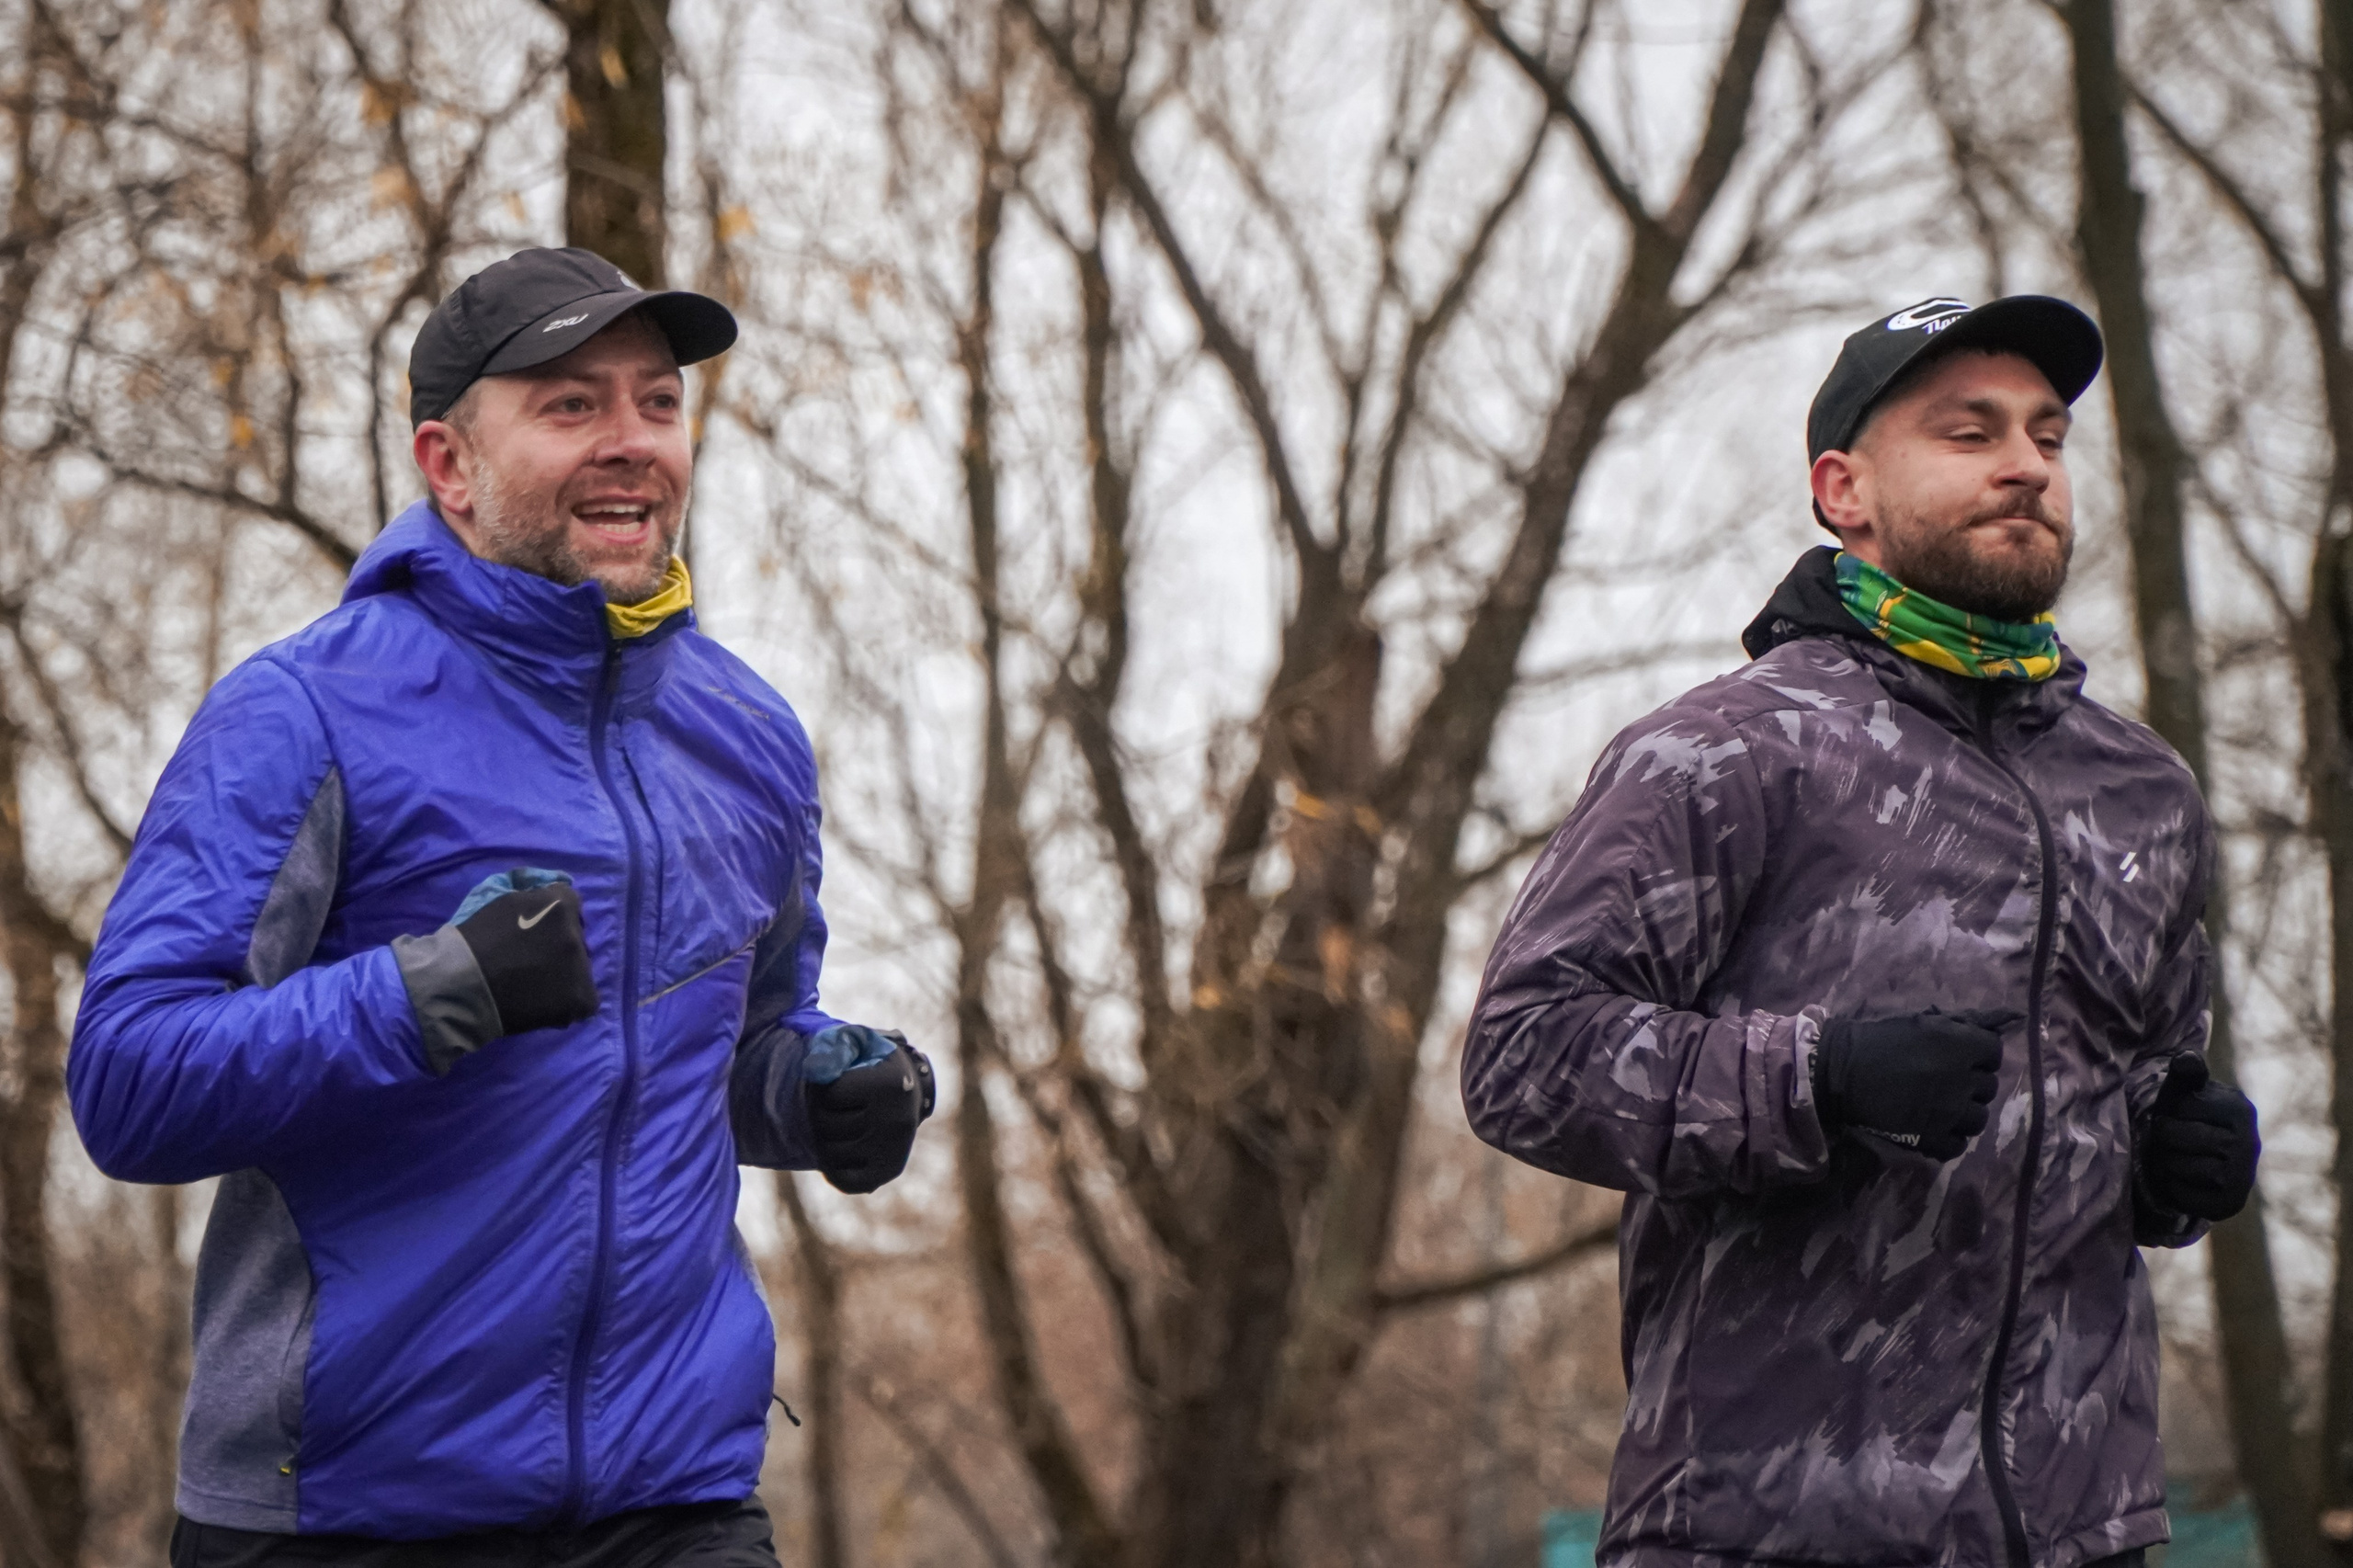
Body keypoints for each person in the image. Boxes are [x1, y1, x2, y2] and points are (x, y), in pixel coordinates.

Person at [69, 246, 934, 1567]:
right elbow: (131, 1082)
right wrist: (430, 994)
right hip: (354, 1509)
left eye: (657, 401)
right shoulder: (305, 713)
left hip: (676, 1500)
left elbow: (730, 1054)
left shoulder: (747, 736)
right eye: (571, 405)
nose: (631, 442)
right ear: (448, 464)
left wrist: (817, 1088)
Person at [1463, 296, 2261, 1568]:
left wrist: (2173, 1160)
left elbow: (2151, 1077)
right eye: (1969, 431)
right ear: (1844, 488)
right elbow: (1524, 1054)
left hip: (2083, 1530)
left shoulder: (2143, 791)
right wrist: (1814, 1078)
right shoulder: (1725, 750)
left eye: (2049, 437)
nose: (2025, 465)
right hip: (1763, 1524)